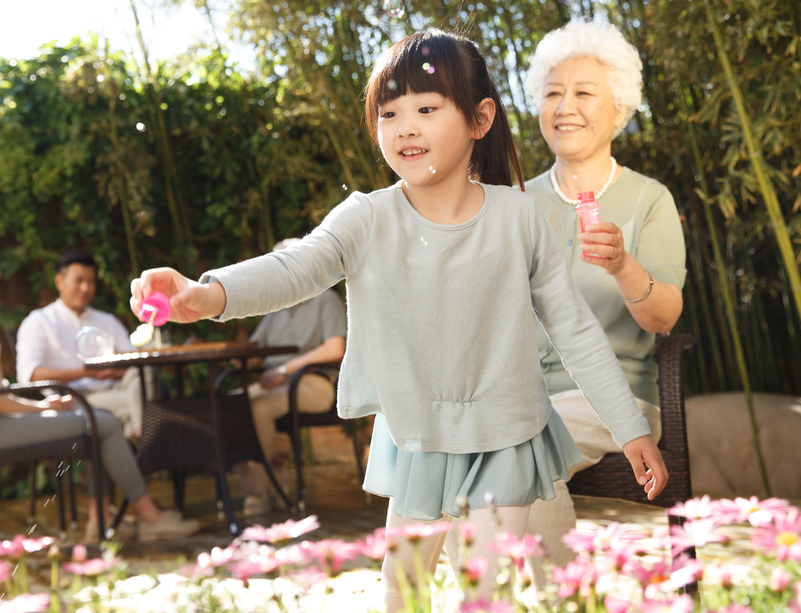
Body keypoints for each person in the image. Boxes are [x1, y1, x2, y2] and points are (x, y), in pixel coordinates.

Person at [129, 30, 668, 611]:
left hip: (507, 436)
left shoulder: (519, 216)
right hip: (416, 436)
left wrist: (628, 427)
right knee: (400, 593)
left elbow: (574, 329)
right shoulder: (366, 218)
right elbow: (295, 268)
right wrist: (207, 294)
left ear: (479, 118)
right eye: (389, 112)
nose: (405, 126)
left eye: (427, 108)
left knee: (483, 594)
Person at [517, 21, 688, 583]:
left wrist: (622, 265)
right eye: (552, 92)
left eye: (584, 92)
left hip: (615, 396)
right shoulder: (514, 203)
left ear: (619, 108)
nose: (565, 107)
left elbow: (663, 317)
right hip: (523, 395)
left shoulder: (648, 200)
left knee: (522, 451)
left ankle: (558, 595)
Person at [0, 232, 200, 542]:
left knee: (100, 422)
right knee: (102, 422)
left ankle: (104, 518)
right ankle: (149, 516)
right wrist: (41, 406)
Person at [234, 238, 347, 516]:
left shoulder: (325, 299)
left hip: (315, 383)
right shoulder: (276, 307)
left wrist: (285, 370)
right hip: (278, 383)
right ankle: (263, 485)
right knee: (228, 406)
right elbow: (254, 349)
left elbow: (336, 349)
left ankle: (258, 493)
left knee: (259, 408)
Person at [15, 250, 145, 441]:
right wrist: (86, 372)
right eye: (78, 280)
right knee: (146, 406)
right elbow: (31, 375)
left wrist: (110, 373)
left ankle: (138, 435)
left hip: (119, 387)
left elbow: (133, 361)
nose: (85, 288)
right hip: (75, 398)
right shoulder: (39, 321)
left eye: (91, 281)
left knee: (143, 372)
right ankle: (142, 433)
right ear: (59, 281)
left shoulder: (107, 320)